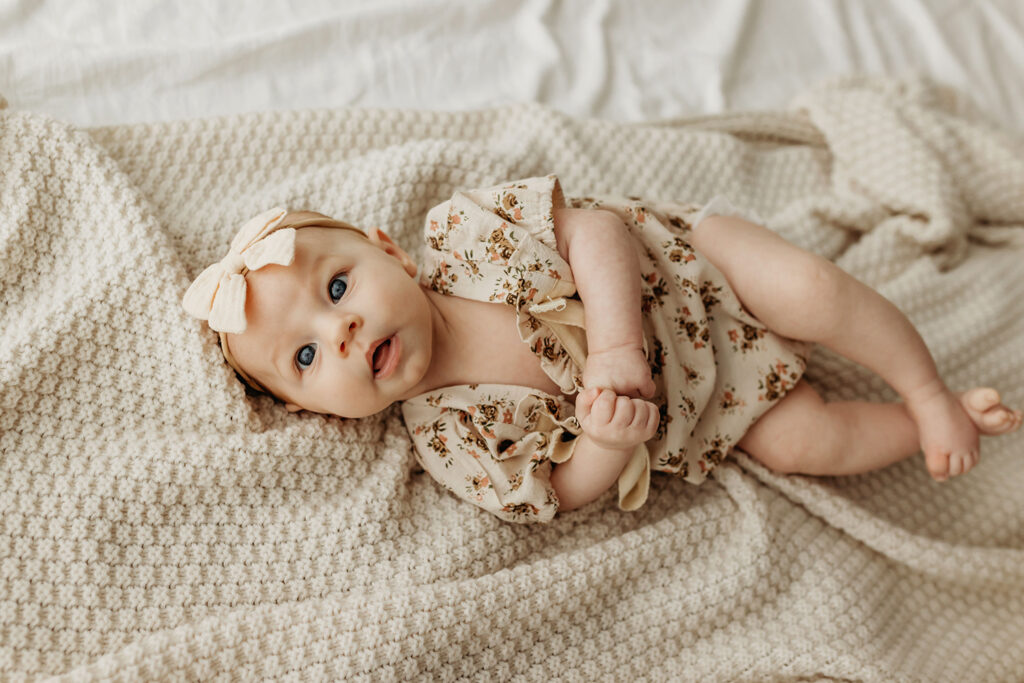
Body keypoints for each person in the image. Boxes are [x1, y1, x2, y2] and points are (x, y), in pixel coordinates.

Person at [182, 175, 1022, 524]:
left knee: (812, 291)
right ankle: (921, 429)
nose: (343, 332)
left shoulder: (463, 232)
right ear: (312, 409)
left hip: (697, 264)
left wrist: (619, 341)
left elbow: (595, 231)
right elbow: (559, 491)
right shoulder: (445, 438)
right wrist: (608, 440)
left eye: (337, 290)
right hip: (717, 405)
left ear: (389, 251)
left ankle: (924, 387)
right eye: (305, 358)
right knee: (807, 443)